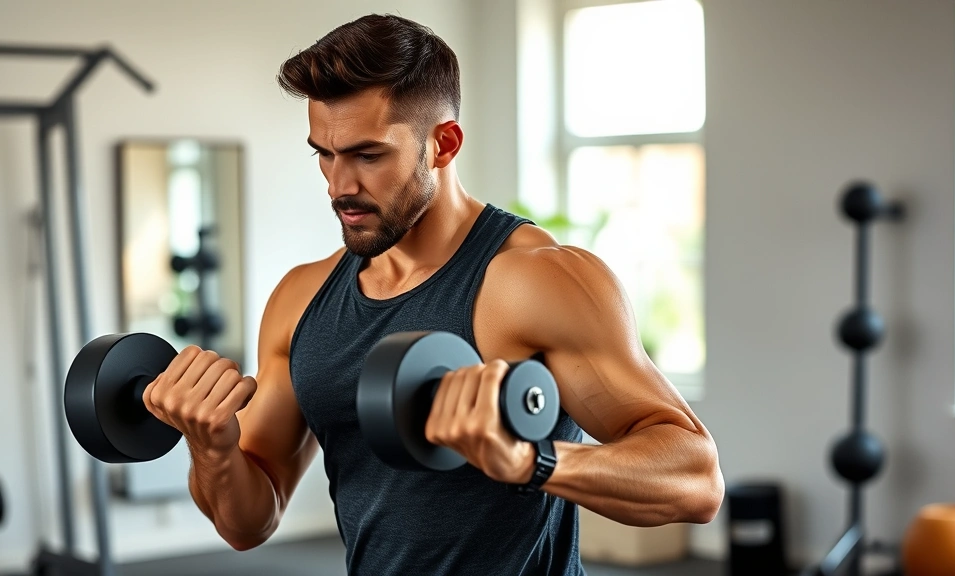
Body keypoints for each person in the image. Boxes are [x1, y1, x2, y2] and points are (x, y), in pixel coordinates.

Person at [142, 13, 723, 576]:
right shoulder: (302, 298)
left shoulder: (531, 282)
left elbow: (695, 479)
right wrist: (212, 448)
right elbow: (248, 523)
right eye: (324, 153)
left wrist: (531, 460)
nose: (340, 186)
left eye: (368, 155)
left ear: (443, 144)